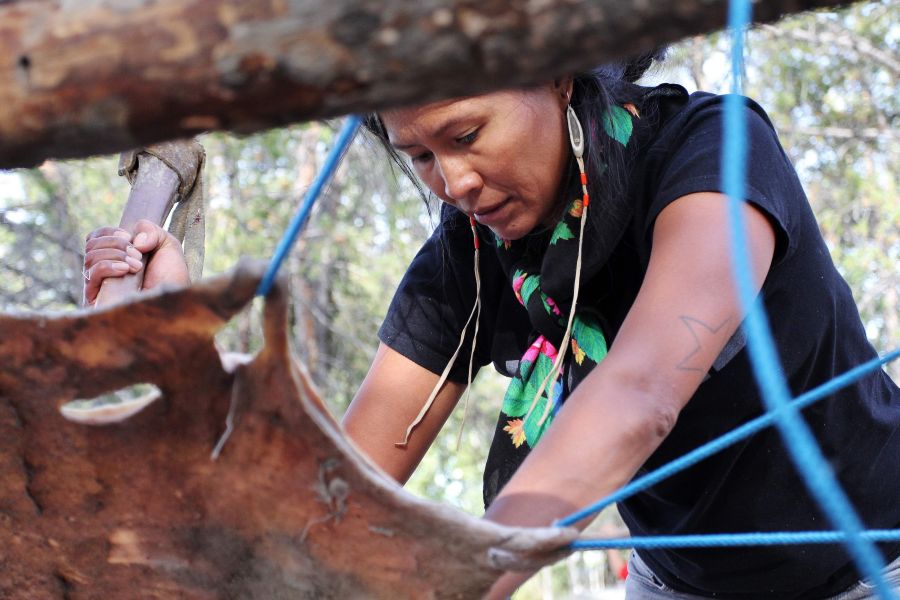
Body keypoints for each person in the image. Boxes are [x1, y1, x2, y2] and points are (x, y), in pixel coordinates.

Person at [84, 52, 900, 599]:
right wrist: (175, 343)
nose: (456, 181)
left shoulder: (712, 153)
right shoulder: (470, 257)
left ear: (556, 78)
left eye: (466, 135)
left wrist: (463, 573)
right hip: (678, 585)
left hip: (870, 567)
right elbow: (336, 483)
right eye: (421, 157)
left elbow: (642, 391)